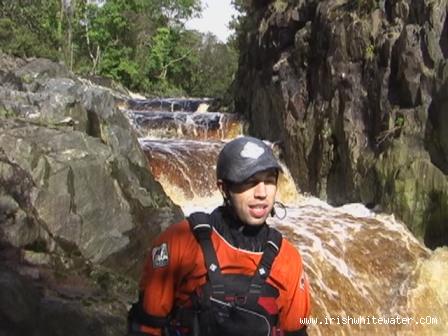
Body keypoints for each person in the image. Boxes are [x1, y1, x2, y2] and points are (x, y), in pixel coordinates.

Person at [128, 136, 310, 336]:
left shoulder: (288, 260)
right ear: (224, 188)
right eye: (250, 182)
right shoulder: (179, 242)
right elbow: (146, 328)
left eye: (269, 181)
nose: (262, 193)